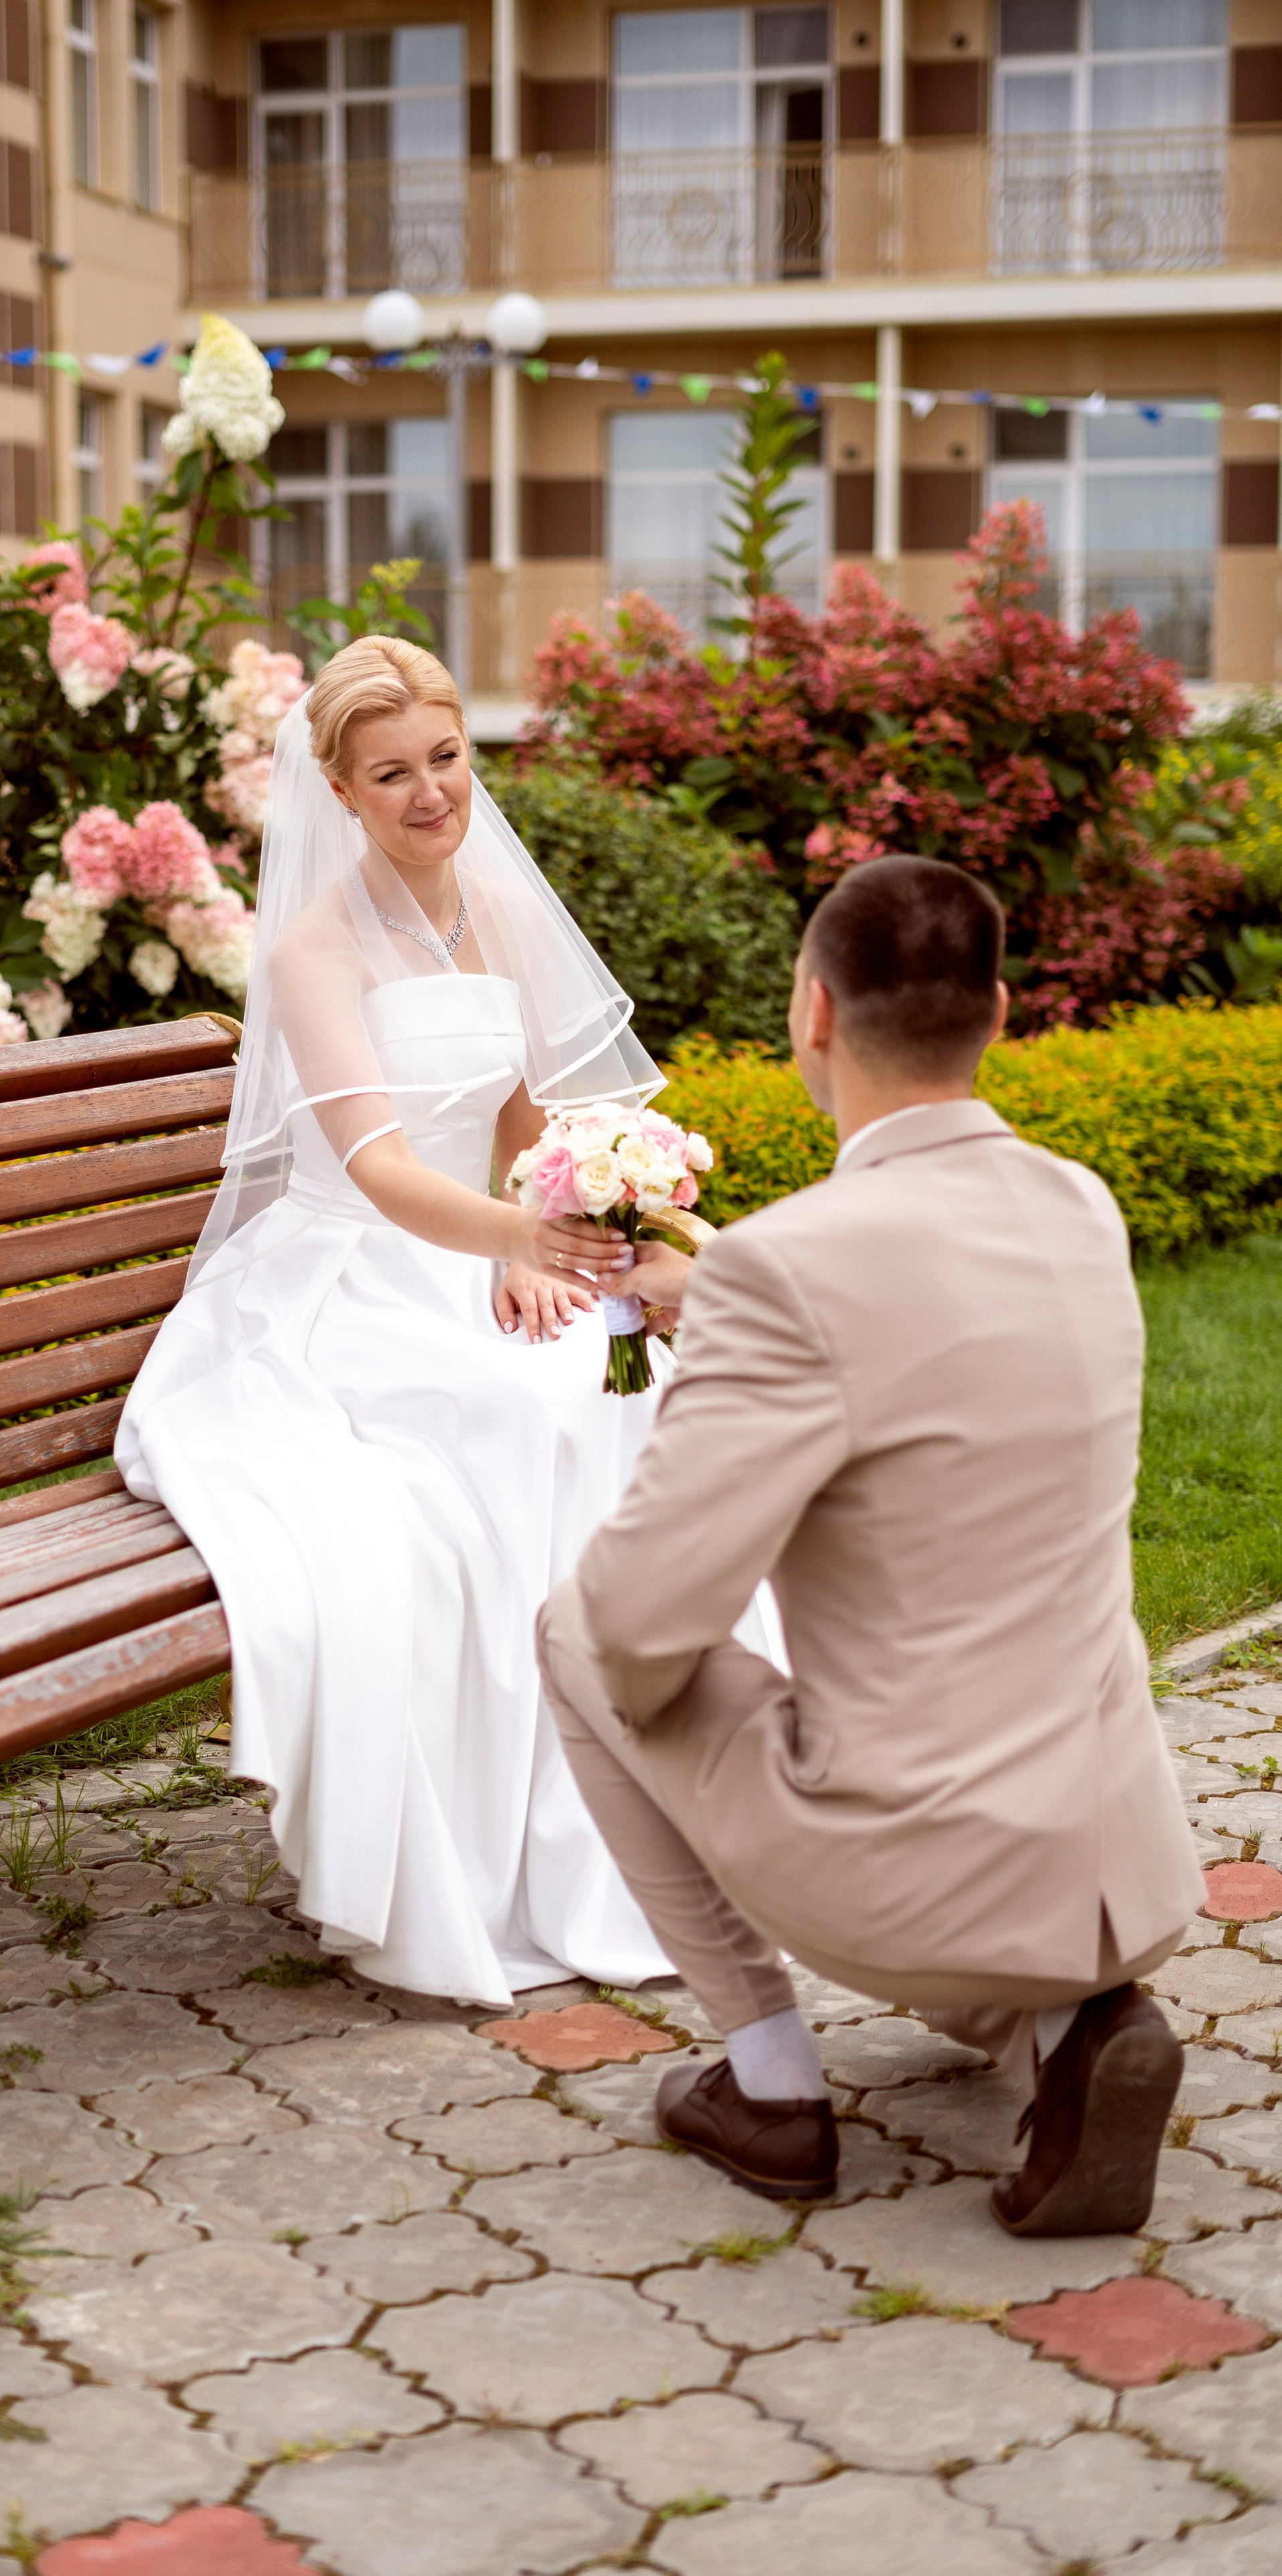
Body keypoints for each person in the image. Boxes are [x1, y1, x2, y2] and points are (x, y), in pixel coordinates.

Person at [536, 855, 1203, 2236]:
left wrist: (725, 1325)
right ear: (999, 1013)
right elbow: (919, 1312)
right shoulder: (1080, 1207)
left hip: (910, 1865)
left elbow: (643, 1621)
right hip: (1112, 1858)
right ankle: (1071, 2032)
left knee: (572, 1629)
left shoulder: (789, 1268)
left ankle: (768, 2081)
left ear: (813, 1014)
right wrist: (712, 1296)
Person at [113, 636, 784, 2007]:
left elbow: (527, 1128)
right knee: (518, 1416)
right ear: (341, 792)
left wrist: (544, 1236)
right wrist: (517, 1239)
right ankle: (505, 1854)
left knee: (632, 1384)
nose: (429, 793)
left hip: (467, 1248)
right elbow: (376, 1171)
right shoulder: (312, 952)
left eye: (445, 759)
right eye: (390, 774)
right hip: (340, 1279)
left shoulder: (495, 910)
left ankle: (697, 1807)